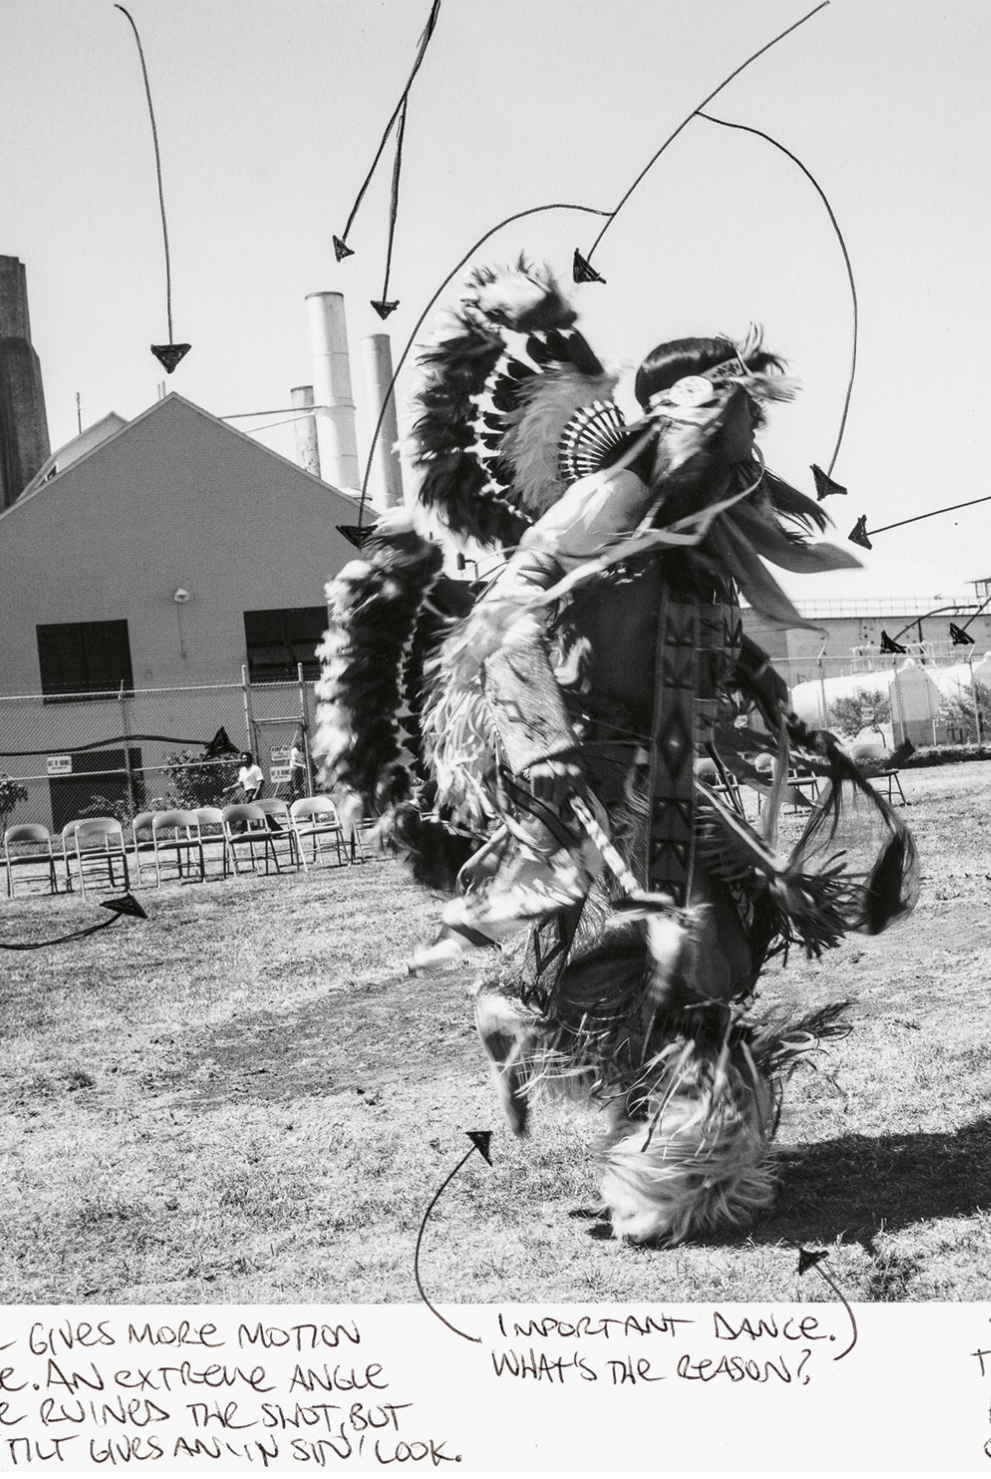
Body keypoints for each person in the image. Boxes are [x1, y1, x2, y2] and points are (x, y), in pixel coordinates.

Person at [314, 262, 917, 1246]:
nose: (742, 434)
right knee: (677, 951)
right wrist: (539, 737)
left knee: (715, 949)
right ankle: (675, 1177)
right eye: (727, 414)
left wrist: (770, 699)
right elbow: (512, 605)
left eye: (746, 418)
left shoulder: (708, 519)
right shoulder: (610, 500)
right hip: (597, 765)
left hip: (668, 765)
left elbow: (708, 632)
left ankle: (685, 1164)